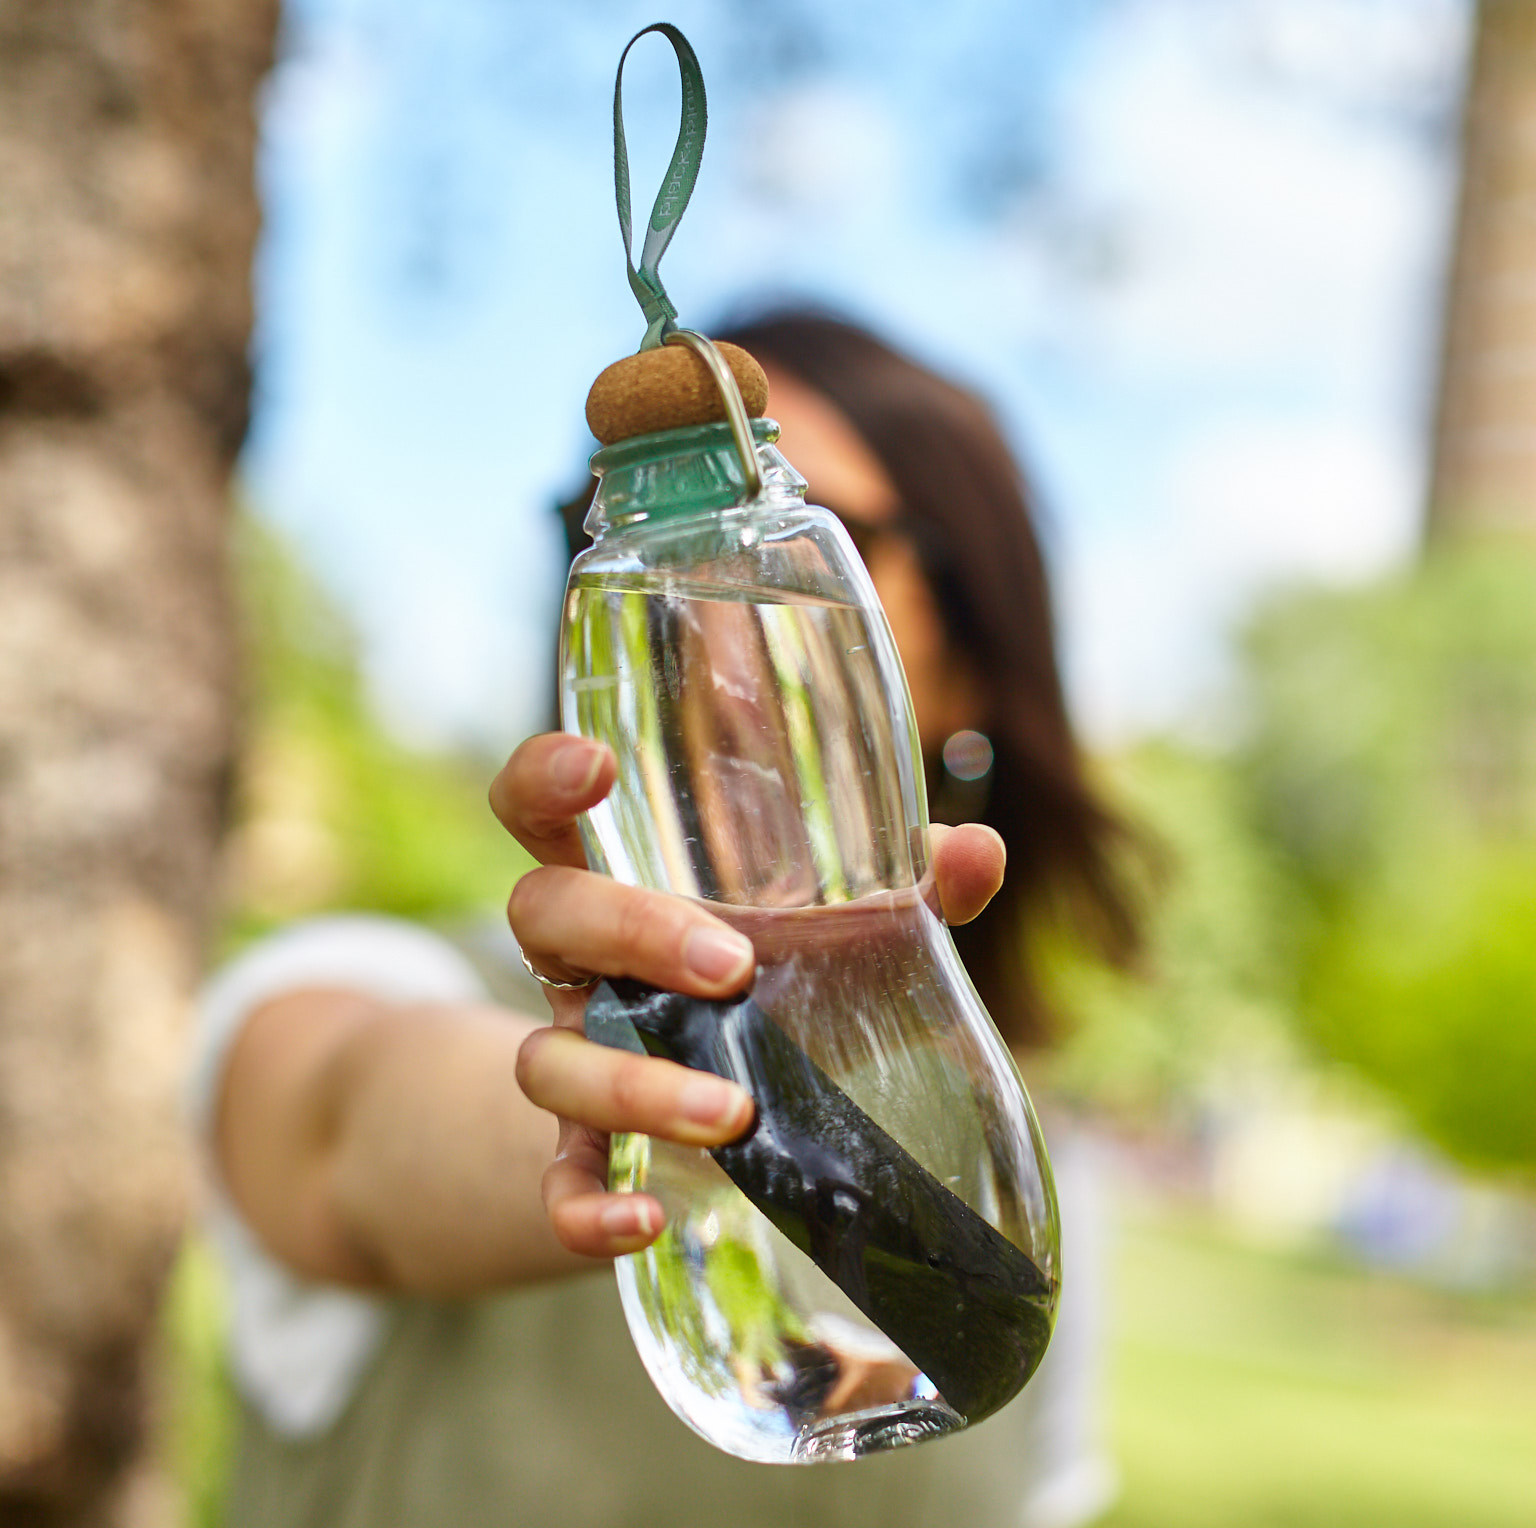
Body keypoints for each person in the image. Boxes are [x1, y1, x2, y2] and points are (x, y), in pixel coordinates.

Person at [193, 310, 1137, 1527]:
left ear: (964, 662)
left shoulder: (1037, 1182)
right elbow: (352, 1136)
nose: (700, 600)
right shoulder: (355, 985)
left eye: (787, 534)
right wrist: (689, 1092)